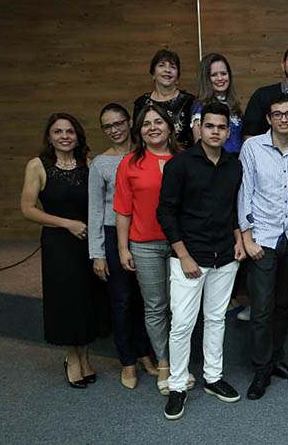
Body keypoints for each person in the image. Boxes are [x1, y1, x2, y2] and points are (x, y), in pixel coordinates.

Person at [157, 102, 245, 420]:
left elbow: (234, 209)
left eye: (222, 127)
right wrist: (183, 255)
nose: (216, 132)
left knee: (216, 319)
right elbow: (165, 212)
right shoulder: (180, 165)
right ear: (199, 127)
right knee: (182, 324)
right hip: (189, 257)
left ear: (228, 131)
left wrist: (238, 238)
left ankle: (212, 377)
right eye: (210, 126)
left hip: (225, 255)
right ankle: (178, 385)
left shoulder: (234, 166)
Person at [20, 113, 110, 389]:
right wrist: (67, 224)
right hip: (59, 243)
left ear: (78, 135)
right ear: (49, 137)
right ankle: (71, 357)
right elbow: (28, 209)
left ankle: (84, 355)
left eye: (69, 131)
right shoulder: (38, 166)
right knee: (66, 300)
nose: (64, 136)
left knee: (86, 299)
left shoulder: (89, 164)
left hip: (88, 241)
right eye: (58, 131)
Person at [114, 104, 186, 395]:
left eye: (159, 122)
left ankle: (181, 363)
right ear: (139, 131)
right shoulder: (129, 163)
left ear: (170, 127)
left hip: (182, 244)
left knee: (182, 308)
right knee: (156, 306)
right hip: (144, 245)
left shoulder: (185, 159)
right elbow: (122, 210)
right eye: (146, 124)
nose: (153, 127)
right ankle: (165, 364)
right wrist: (122, 247)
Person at [238, 93, 288, 400]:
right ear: (268, 118)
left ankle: (276, 360)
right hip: (263, 238)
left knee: (282, 305)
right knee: (262, 308)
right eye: (277, 114)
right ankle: (261, 369)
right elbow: (244, 192)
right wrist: (247, 236)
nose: (283, 119)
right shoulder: (252, 147)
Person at [88, 104, 156, 389]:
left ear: (130, 122)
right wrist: (98, 254)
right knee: (122, 300)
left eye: (119, 123)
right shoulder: (101, 164)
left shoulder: (147, 154)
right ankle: (127, 361)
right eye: (108, 126)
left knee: (145, 300)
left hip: (145, 235)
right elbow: (94, 211)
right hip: (113, 235)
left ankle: (144, 354)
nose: (114, 130)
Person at [133, 49, 195, 148]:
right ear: (153, 73)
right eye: (161, 65)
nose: (167, 70)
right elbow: (136, 138)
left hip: (184, 160)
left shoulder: (190, 102)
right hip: (150, 159)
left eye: (172, 67)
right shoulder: (141, 103)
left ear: (178, 77)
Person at [190, 53, 244, 154]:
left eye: (223, 73)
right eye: (214, 75)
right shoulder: (200, 108)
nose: (220, 78)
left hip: (237, 163)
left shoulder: (232, 104)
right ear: (205, 78)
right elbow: (200, 149)